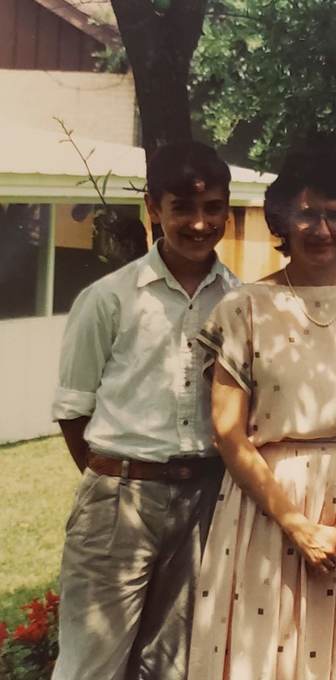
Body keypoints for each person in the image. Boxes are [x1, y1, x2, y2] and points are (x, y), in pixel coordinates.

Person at [187, 152, 336, 680]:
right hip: (268, 510)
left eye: (335, 215)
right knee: (263, 653)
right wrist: (299, 527)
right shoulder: (244, 308)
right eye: (308, 214)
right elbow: (228, 433)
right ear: (282, 221)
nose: (322, 229)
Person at [51, 141, 239, 680]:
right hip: (121, 498)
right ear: (153, 207)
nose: (199, 223)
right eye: (182, 208)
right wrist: (117, 478)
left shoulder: (240, 300)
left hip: (205, 501)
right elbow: (73, 410)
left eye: (212, 208)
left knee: (174, 666)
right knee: (92, 664)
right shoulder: (110, 298)